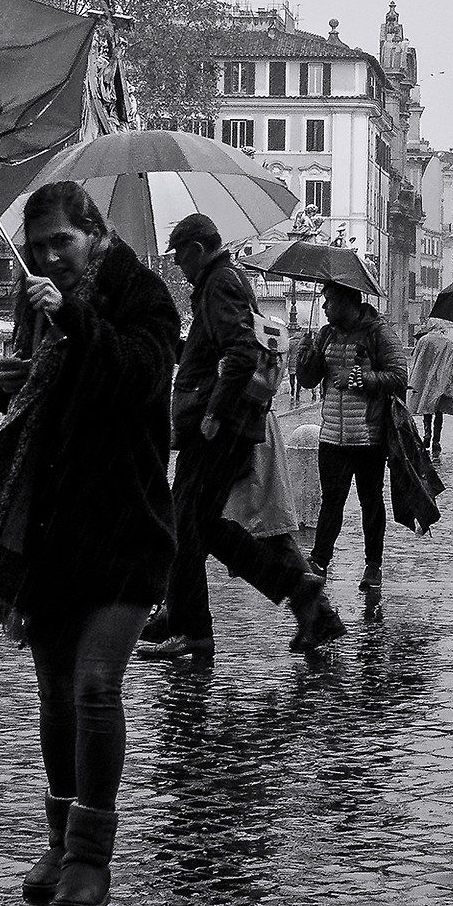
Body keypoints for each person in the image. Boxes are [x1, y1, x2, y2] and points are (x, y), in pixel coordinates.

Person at [0, 183, 183, 906]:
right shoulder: (35, 302)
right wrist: (8, 383)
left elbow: (140, 371)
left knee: (96, 685)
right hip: (55, 525)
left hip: (127, 522)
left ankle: (92, 856)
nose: (48, 256)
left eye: (60, 241)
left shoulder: (144, 294)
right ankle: (61, 838)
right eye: (37, 247)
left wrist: (77, 317)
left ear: (94, 232)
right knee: (56, 692)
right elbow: (33, 397)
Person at [141, 214, 345, 659]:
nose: (178, 266)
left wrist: (213, 413)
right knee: (205, 525)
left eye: (179, 257)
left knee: (187, 524)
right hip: (233, 422)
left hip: (219, 426)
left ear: (196, 249)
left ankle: (193, 628)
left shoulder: (219, 284)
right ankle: (297, 587)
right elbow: (215, 350)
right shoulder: (220, 284)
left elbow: (238, 352)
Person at [296, 275, 408, 592]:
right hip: (332, 433)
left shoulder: (379, 333)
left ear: (347, 301)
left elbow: (399, 377)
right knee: (331, 500)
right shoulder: (325, 334)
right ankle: (319, 560)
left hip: (368, 435)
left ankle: (373, 565)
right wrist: (307, 355)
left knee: (370, 501)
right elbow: (307, 380)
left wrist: (363, 379)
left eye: (328, 299)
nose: (324, 305)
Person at [409, 321, 453, 458]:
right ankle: (436, 441)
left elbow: (416, 361)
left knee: (427, 409)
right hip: (441, 380)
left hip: (426, 380)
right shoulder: (449, 344)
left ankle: (427, 433)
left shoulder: (424, 340)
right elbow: (452, 367)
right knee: (439, 411)